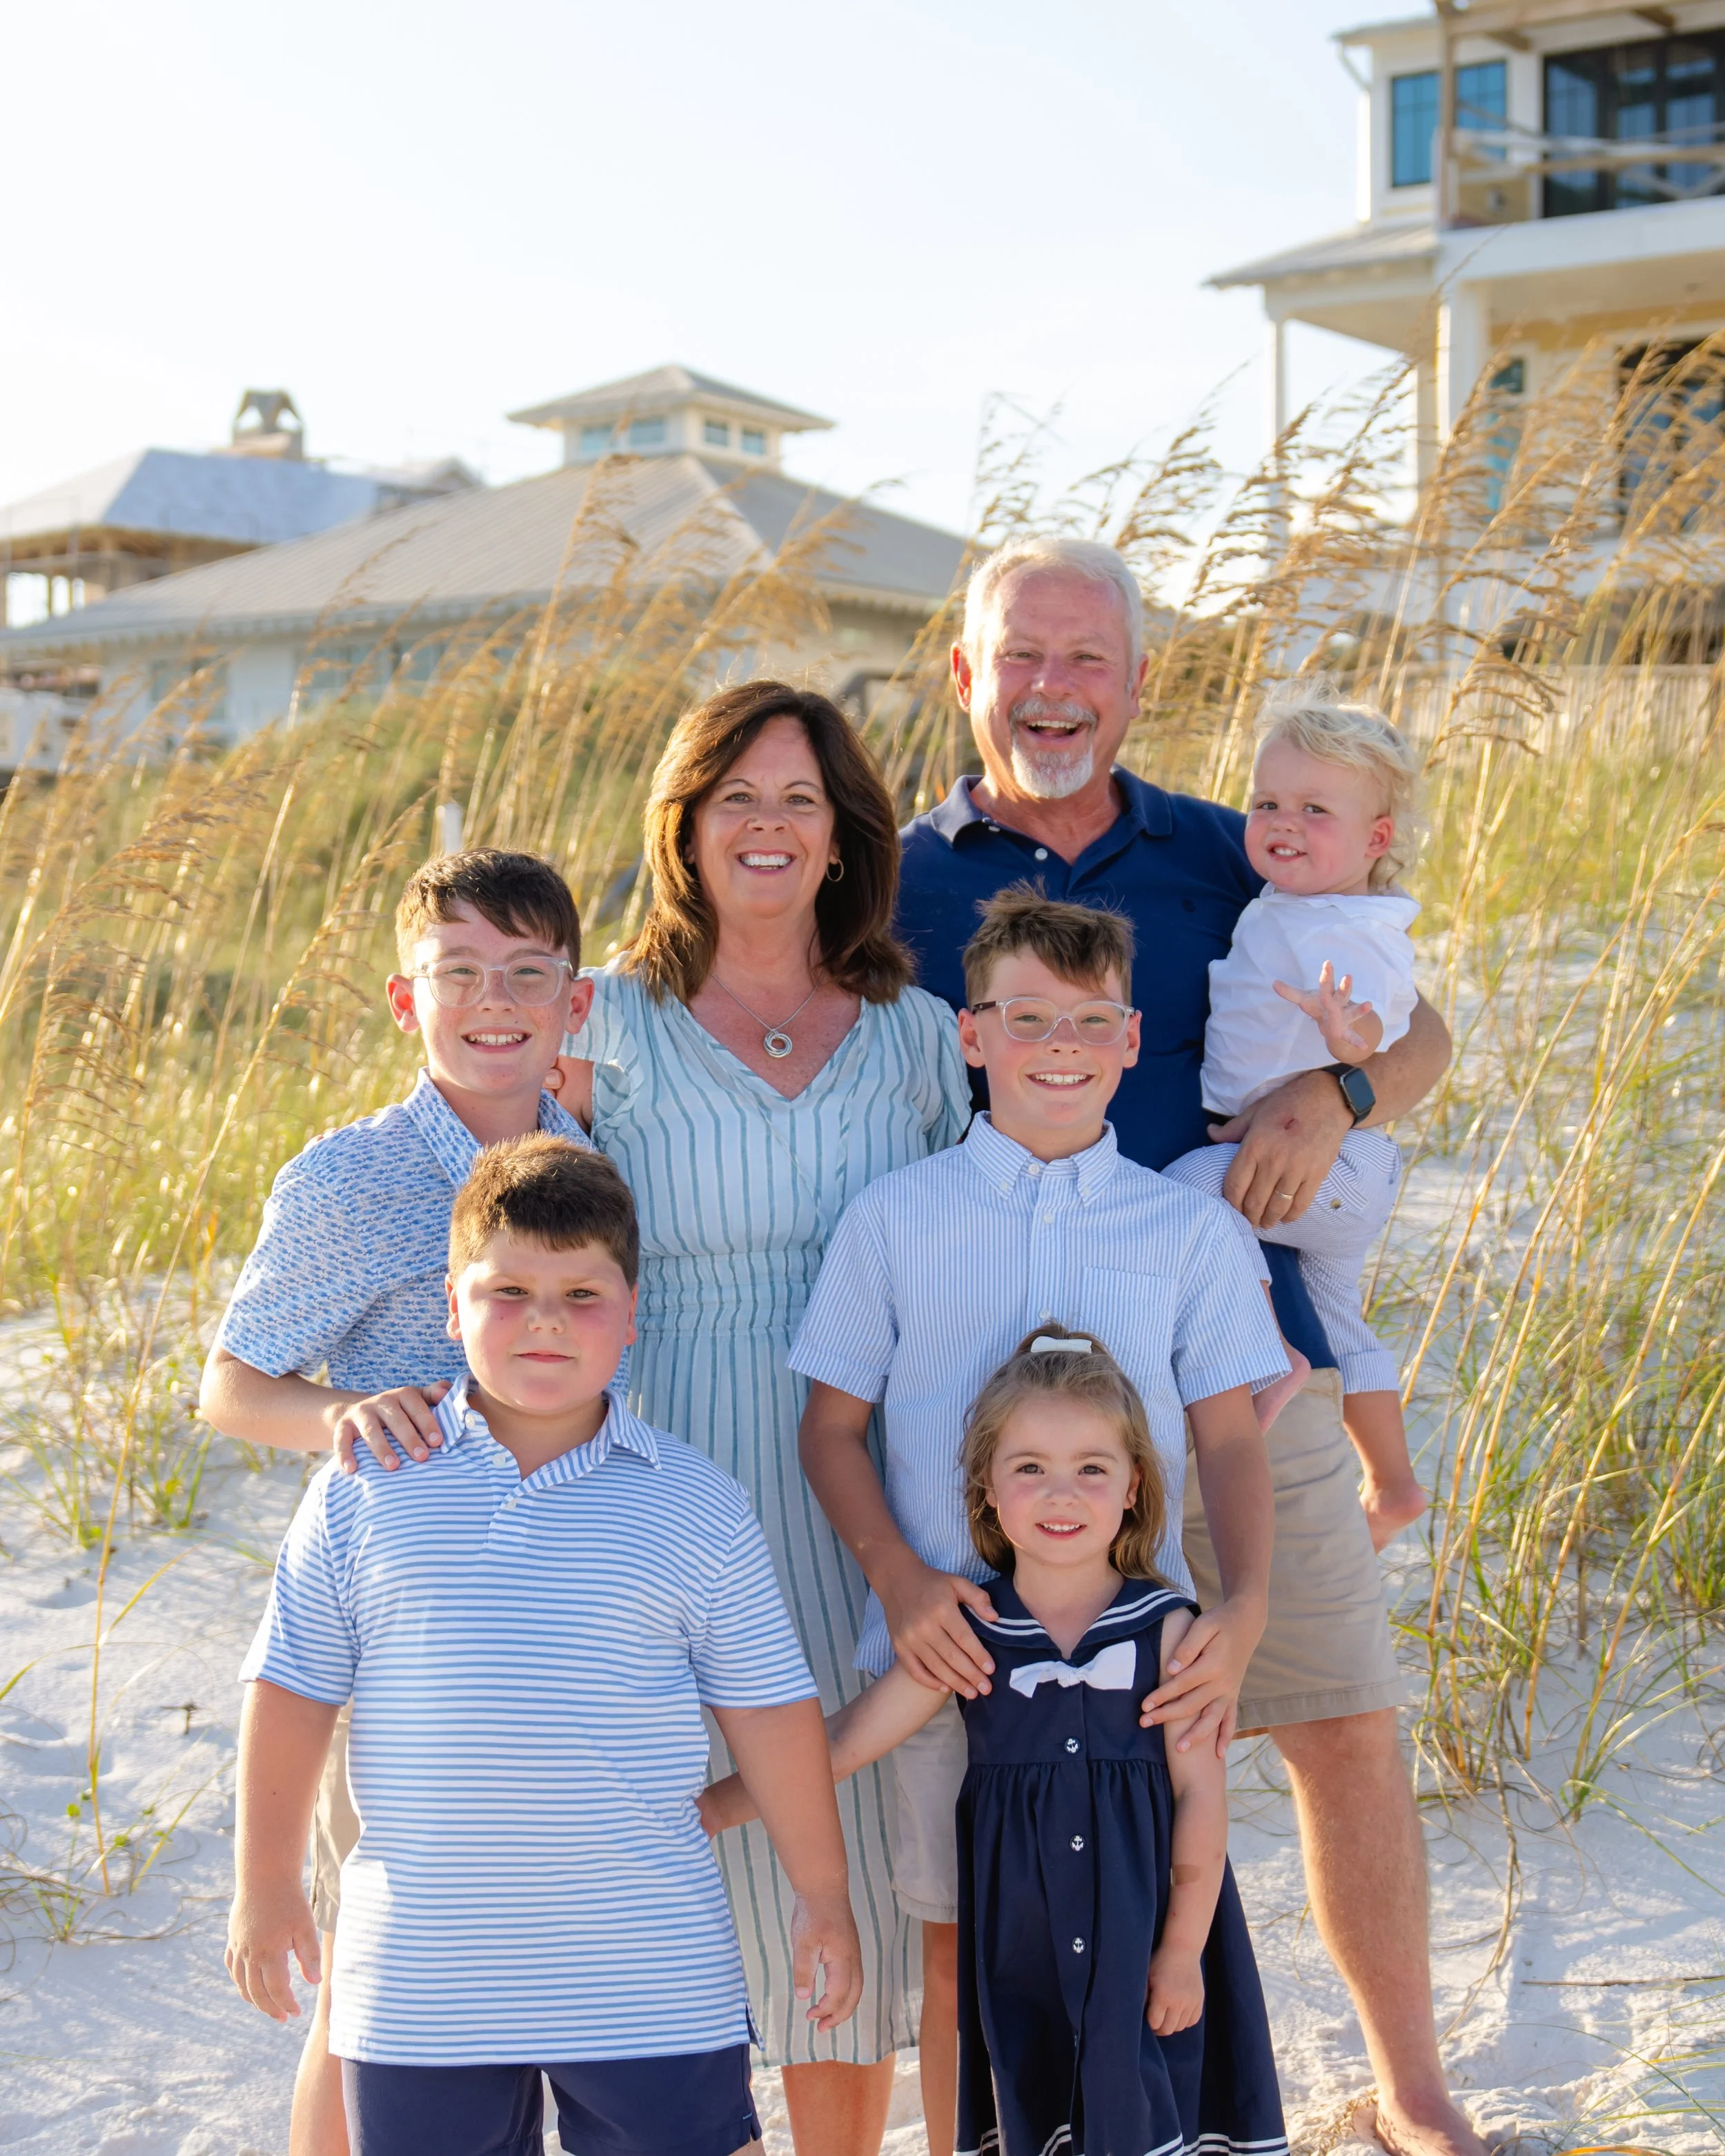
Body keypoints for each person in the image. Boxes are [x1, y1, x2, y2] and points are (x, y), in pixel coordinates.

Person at [893, 535, 1483, 2156]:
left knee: (1340, 1714)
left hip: (1246, 1357)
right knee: (994, 1773)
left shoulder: (1238, 850)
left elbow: (1422, 1022)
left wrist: (1341, 1094)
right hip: (1007, 1418)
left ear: (1141, 680)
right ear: (966, 674)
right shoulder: (896, 875)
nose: (1056, 688)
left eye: (1090, 657)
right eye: (1023, 654)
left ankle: (1413, 2095)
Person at [226, 1136, 862, 2156]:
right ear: (451, 1306)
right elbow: (290, 1694)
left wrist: (824, 1897)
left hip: (647, 1967)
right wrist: (263, 1886)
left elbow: (772, 1718)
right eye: (509, 1290)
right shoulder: (366, 1482)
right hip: (425, 1980)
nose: (546, 1322)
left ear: (632, 1315)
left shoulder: (693, 1501)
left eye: (582, 1294)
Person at [550, 682, 974, 2156]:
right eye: (737, 796)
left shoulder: (919, 1037)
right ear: (683, 823)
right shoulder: (601, 1024)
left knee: (844, 1858)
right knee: (681, 1845)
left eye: (800, 798)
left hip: (863, 1487)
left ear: (847, 829)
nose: (770, 825)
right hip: (667, 1480)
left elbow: (962, 1261)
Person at [793, 888, 1287, 2156]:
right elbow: (831, 1430)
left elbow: (1230, 1437)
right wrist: (901, 1580)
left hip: (1137, 1672)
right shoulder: (897, 1219)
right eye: (1027, 1019)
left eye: (1088, 1021)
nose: (1057, 1046)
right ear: (973, 1037)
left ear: (1130, 1040)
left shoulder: (1187, 1231)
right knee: (968, 1958)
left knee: (1143, 1950)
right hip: (948, 1660)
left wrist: (1245, 1609)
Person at [199, 847, 594, 2156]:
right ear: (402, 998)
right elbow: (230, 1385)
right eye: (460, 972)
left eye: (528, 974)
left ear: (573, 1003)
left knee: (548, 1974)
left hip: (576, 1632)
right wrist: (338, 1416)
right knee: (383, 1981)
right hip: (410, 1635)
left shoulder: (603, 1159)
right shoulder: (348, 1177)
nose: (495, 999)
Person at [707, 1326, 1288, 2156]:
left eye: (1092, 1467)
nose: (1062, 1494)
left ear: (1133, 1486)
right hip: (1025, 1947)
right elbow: (840, 1743)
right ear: (986, 1488)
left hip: (1145, 1934)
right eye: (1030, 1468)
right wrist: (708, 1807)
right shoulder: (971, 1629)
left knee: (1148, 2113)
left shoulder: (1168, 1632)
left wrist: (1184, 1948)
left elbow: (1199, 1795)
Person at [1162, 683, 1428, 1551]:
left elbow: (1385, 1018)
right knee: (1346, 1320)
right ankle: (1392, 1485)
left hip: (1334, 1164)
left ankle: (1270, 1343)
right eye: (1268, 802)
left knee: (1194, 1189)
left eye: (1316, 809)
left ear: (1375, 839)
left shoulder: (1349, 928)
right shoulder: (1295, 900)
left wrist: (1347, 1043)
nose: (1283, 821)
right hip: (1336, 1179)